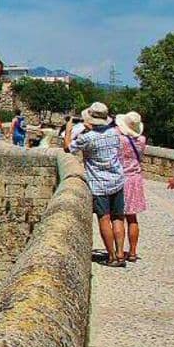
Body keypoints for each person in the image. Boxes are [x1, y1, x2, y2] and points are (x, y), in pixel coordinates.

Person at [65, 102, 127, 267]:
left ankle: (112, 256)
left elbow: (67, 148)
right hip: (117, 181)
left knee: (104, 218)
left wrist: (69, 129)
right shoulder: (115, 133)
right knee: (118, 218)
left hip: (99, 184)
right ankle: (121, 254)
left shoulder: (87, 138)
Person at [115, 112, 147, 262]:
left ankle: (119, 251)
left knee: (118, 216)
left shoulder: (119, 138)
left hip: (121, 178)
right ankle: (133, 252)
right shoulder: (142, 140)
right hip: (135, 179)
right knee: (132, 217)